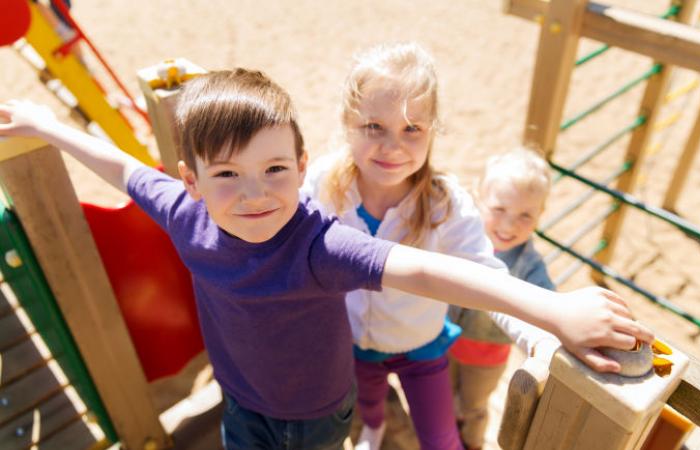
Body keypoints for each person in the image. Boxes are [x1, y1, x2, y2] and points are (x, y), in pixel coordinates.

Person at [0, 69, 651, 450]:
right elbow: (119, 168)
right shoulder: (184, 215)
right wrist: (44, 123)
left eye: (275, 169)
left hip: (317, 412)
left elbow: (425, 270)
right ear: (190, 181)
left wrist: (551, 310)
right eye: (227, 174)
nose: (255, 194)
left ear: (302, 167)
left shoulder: (317, 244)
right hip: (241, 402)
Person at [301, 42, 625, 450]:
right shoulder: (321, 183)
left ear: (432, 129)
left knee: (441, 438)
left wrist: (541, 336)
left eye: (411, 129)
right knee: (369, 401)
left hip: (418, 346)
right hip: (350, 340)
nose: (392, 146)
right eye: (373, 127)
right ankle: (374, 430)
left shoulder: (444, 204)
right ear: (348, 121)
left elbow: (486, 274)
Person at [448, 147, 555, 450]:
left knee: (473, 406)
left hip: (486, 357)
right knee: (442, 397)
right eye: (499, 210)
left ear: (539, 215)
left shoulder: (529, 264)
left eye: (525, 215)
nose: (509, 226)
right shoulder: (463, 238)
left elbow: (548, 301)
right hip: (442, 340)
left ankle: (471, 442)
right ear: (478, 199)